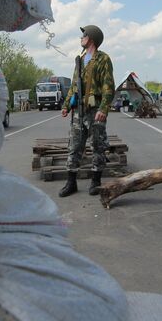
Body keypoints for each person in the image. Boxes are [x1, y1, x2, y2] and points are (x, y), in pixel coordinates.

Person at [59, 25, 115, 197]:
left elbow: (109, 86)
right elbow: (74, 87)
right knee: (74, 146)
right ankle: (71, 182)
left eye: (83, 35)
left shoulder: (103, 59)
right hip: (78, 111)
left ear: (90, 38)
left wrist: (104, 108)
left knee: (97, 146)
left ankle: (96, 181)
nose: (81, 38)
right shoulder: (80, 59)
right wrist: (67, 105)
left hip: (95, 111)